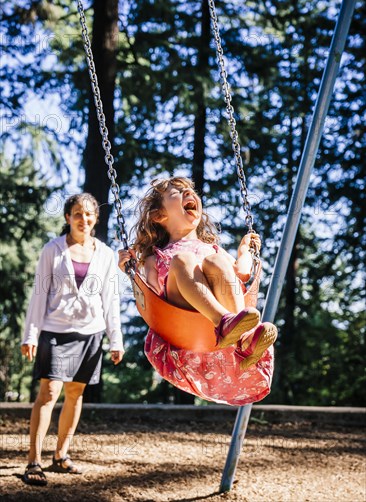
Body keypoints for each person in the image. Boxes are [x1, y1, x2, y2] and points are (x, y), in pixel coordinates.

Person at [118, 176, 277, 406]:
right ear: (159, 215)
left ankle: (242, 338)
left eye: (190, 190)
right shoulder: (156, 258)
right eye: (178, 191)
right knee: (183, 260)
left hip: (222, 326)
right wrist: (129, 271)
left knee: (216, 262)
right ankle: (223, 323)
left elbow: (241, 275)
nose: (189, 194)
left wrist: (245, 251)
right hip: (181, 320)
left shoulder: (213, 249)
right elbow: (150, 297)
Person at [21, 193, 124, 486]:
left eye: (89, 214)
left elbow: (110, 299)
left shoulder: (105, 253)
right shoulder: (52, 250)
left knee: (75, 394)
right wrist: (31, 334)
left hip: (90, 333)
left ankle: (61, 455)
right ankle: (33, 461)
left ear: (96, 219)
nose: (84, 219)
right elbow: (39, 294)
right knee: (49, 393)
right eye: (77, 214)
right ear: (67, 217)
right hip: (55, 330)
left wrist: (115, 339)